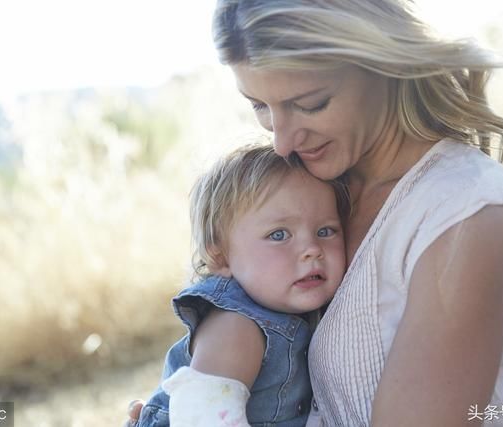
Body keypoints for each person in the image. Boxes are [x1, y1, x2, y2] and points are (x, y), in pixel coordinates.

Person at [128, 0, 503, 425]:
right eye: (259, 105)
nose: (282, 140)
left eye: (310, 103)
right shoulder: (310, 191)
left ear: (378, 62)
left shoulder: (464, 213)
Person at [135, 143, 349, 426]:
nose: (312, 248)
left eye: (325, 231)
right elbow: (202, 419)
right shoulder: (236, 326)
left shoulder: (296, 314)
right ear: (221, 258)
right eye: (279, 235)